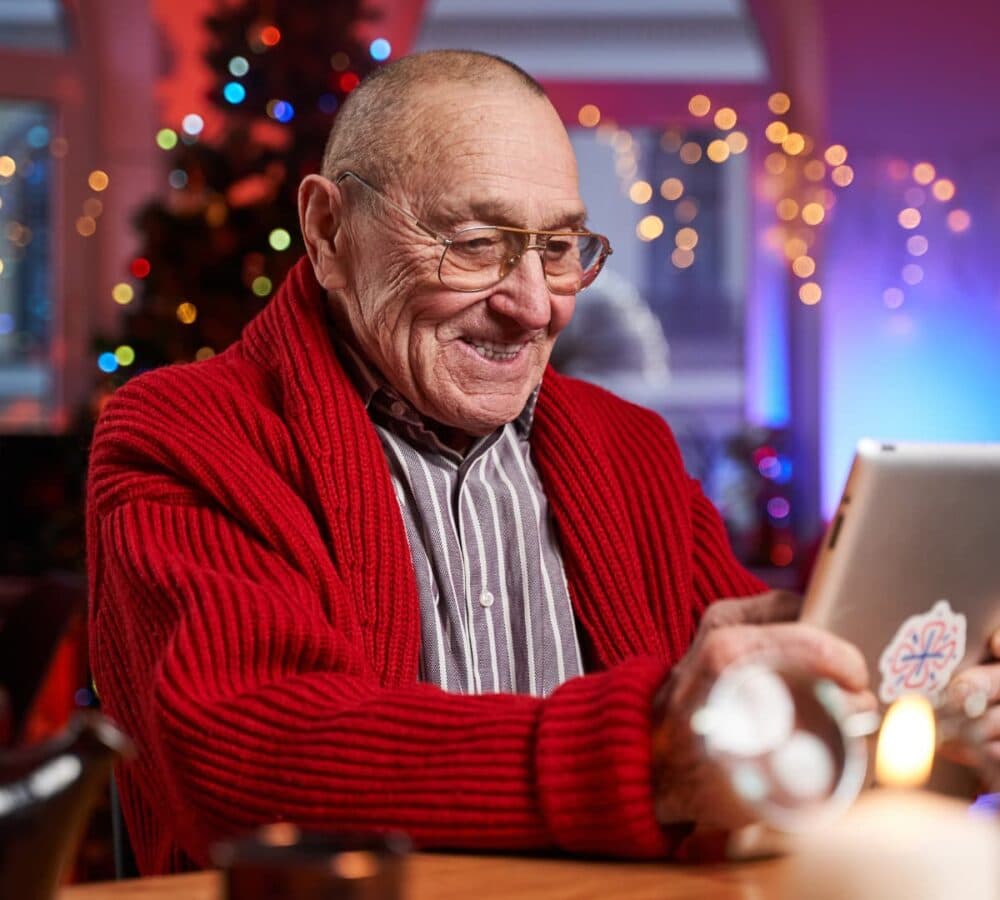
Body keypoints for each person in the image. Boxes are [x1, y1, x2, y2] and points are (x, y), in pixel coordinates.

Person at [87, 50, 1000, 876]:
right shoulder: (181, 435)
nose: (533, 306)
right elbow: (251, 763)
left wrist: (932, 721)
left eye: (559, 249)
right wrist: (644, 754)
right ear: (328, 231)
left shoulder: (630, 450)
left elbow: (750, 753)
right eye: (476, 244)